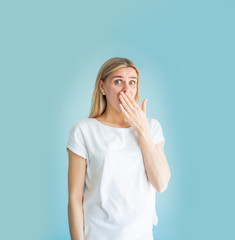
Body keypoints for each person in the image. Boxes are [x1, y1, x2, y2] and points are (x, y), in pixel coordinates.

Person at [66, 57, 171, 240]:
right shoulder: (84, 130)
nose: (126, 90)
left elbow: (161, 183)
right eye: (117, 81)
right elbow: (75, 197)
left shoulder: (151, 128)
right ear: (102, 87)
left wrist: (142, 130)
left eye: (132, 82)